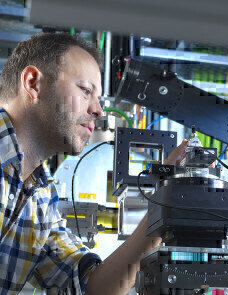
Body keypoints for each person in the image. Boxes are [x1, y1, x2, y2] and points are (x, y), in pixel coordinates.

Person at [0, 32, 188, 295]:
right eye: (86, 90)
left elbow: (89, 287)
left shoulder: (41, 198)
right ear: (33, 83)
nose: (99, 110)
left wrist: (163, 210)